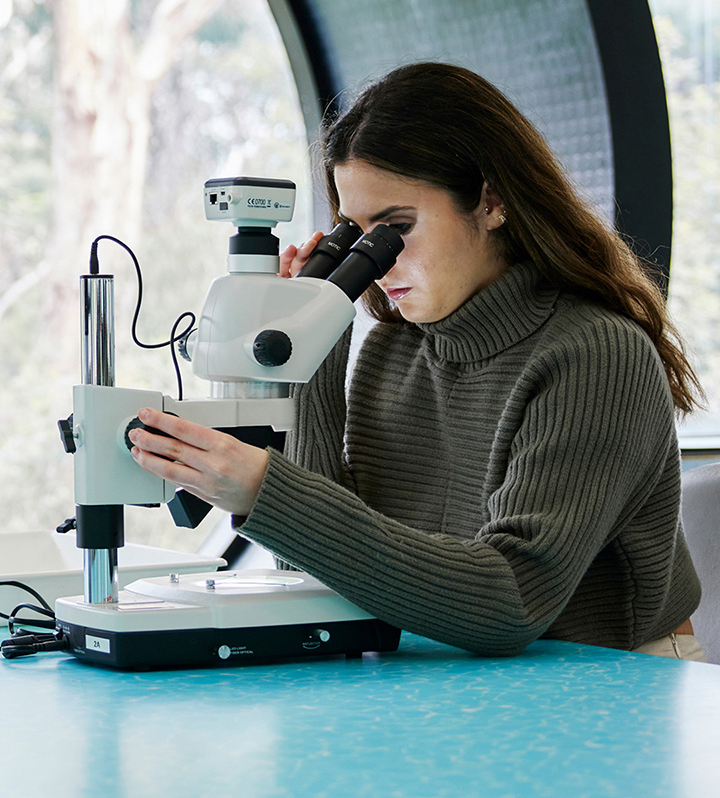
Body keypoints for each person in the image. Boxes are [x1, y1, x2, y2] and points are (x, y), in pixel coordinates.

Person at [130, 62, 706, 660]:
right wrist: (309, 341)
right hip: (450, 669)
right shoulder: (393, 345)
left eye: (395, 227)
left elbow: (510, 601)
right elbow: (323, 562)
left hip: (608, 682)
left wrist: (264, 491)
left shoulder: (595, 354)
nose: (376, 259)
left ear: (490, 201)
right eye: (354, 234)